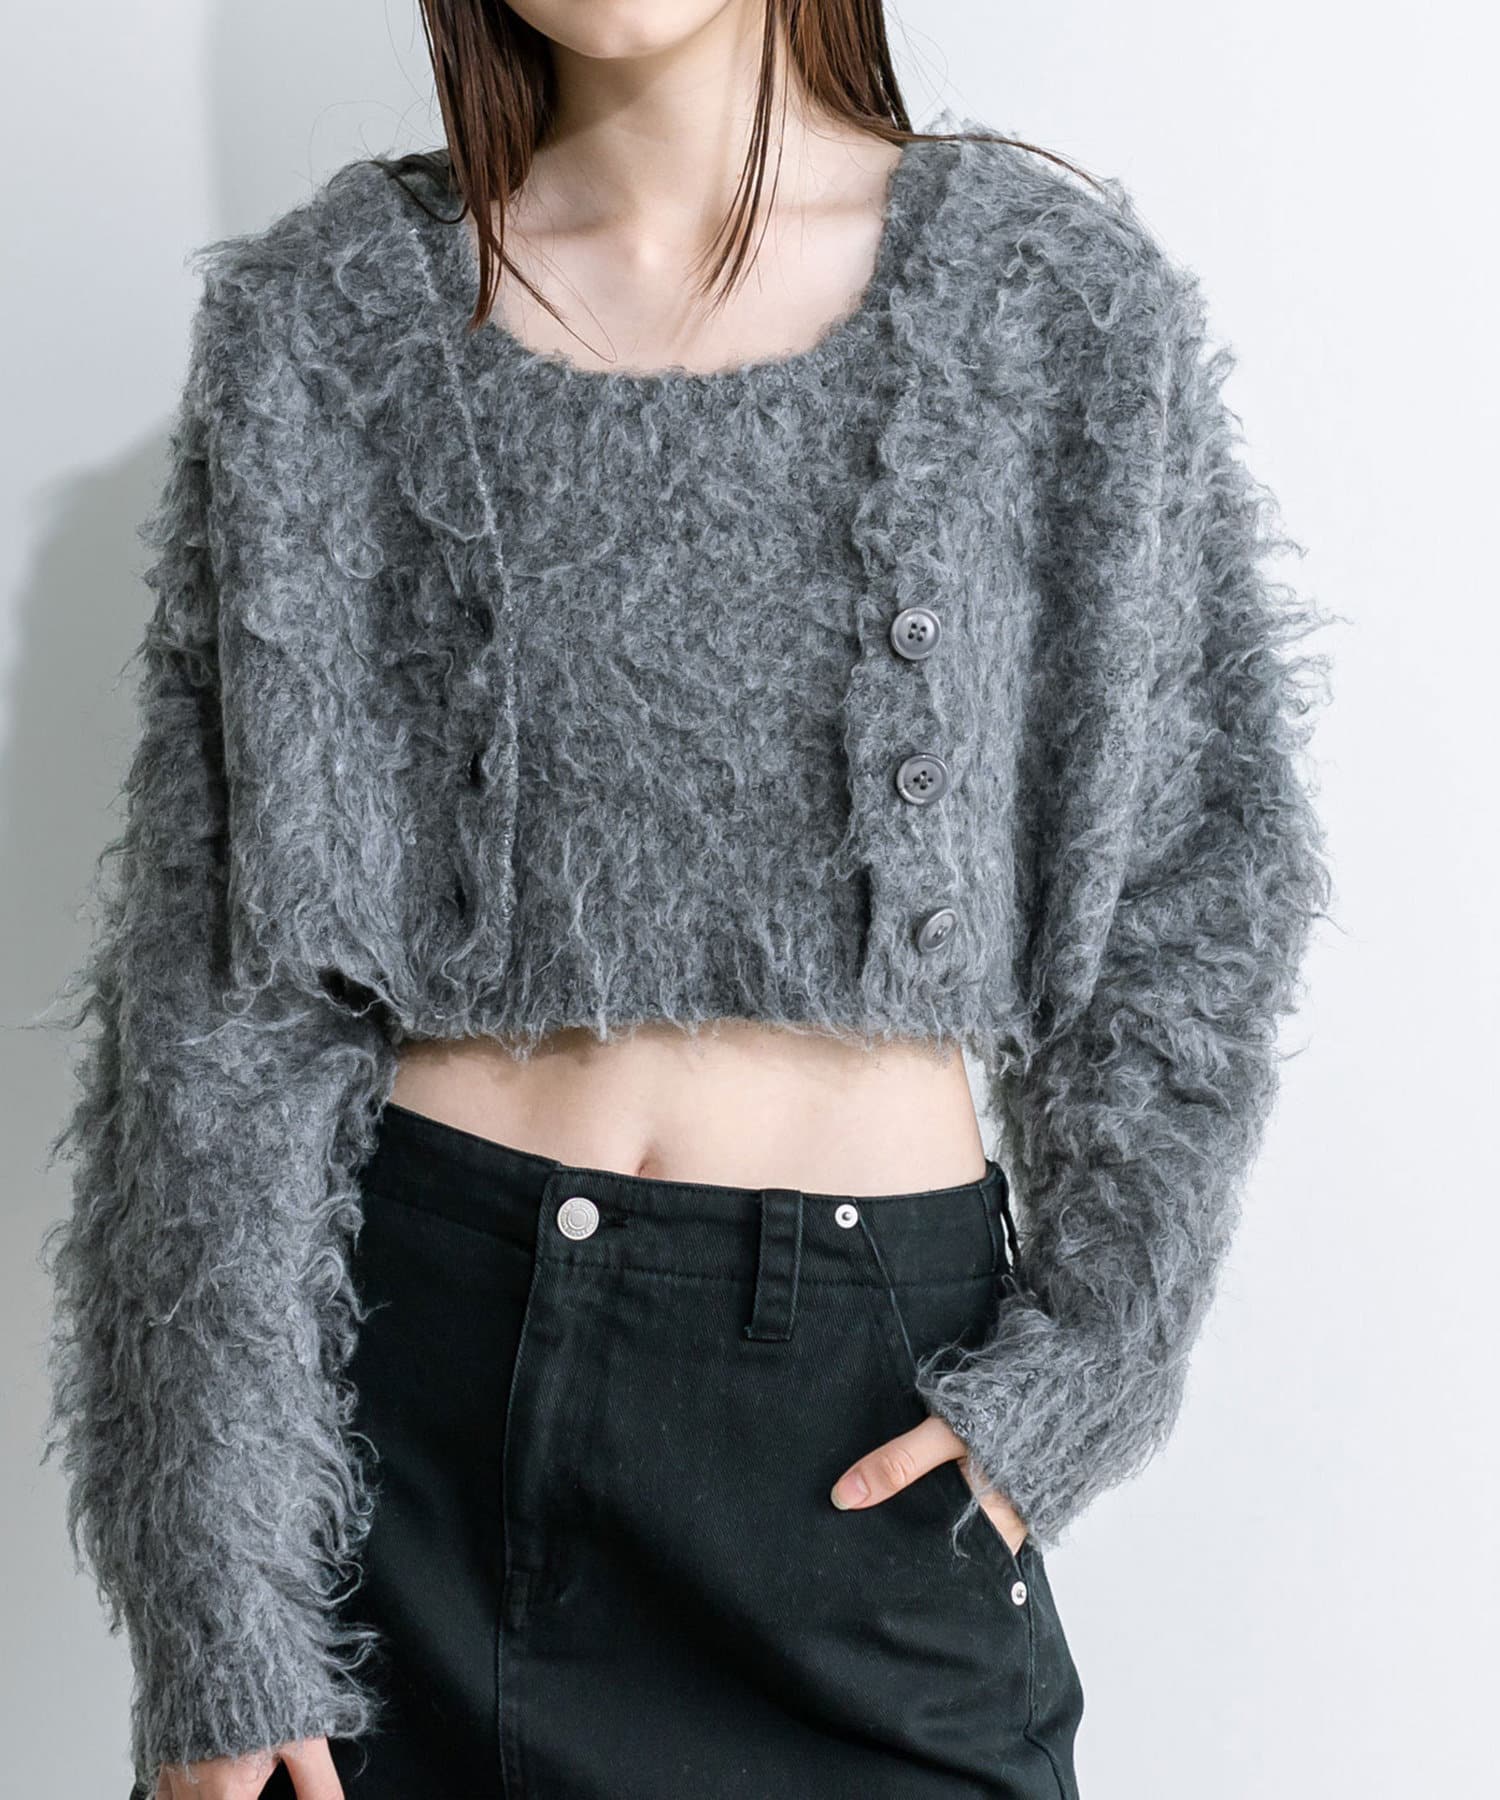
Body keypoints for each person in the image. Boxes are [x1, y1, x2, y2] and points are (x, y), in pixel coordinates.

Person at [40, 3, 1329, 1797]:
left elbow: (1199, 886)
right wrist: (220, 1603)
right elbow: (223, 1004)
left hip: (861, 1442)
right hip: (412, 1445)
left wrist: (1091, 1360)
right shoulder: (328, 321)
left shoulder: (1055, 306)